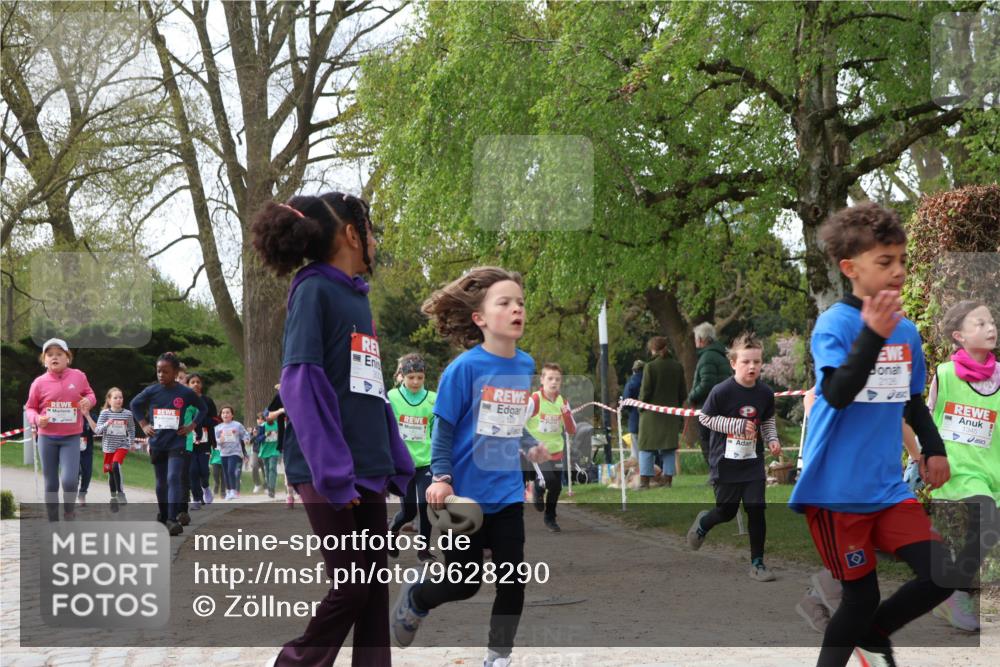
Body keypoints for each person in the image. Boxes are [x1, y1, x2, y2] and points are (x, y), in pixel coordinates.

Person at [788, 202, 954, 667]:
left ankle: (874, 636)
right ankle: (863, 634)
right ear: (850, 268)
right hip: (836, 493)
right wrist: (873, 335)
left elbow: (912, 399)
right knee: (859, 599)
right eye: (885, 261)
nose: (898, 271)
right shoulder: (836, 325)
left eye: (902, 260)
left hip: (886, 489)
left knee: (944, 573)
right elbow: (837, 392)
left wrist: (933, 450)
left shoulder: (906, 331)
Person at [252, 191, 414, 667]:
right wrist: (334, 471)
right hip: (328, 471)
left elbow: (371, 392)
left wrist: (400, 468)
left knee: (372, 585)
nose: (375, 242)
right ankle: (294, 662)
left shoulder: (357, 299)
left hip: (366, 468)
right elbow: (300, 382)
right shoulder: (313, 290)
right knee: (353, 583)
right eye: (370, 231)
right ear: (350, 233)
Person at [390, 266, 549, 667]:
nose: (517, 309)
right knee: (464, 583)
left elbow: (510, 421)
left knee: (513, 580)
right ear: (479, 318)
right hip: (464, 497)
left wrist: (530, 445)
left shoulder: (523, 364)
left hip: (507, 492)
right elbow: (442, 431)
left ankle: (498, 657)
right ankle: (417, 596)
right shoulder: (463, 369)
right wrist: (441, 477)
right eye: (505, 303)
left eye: (521, 303)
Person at [927, 301, 999, 633]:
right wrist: (926, 458)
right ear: (959, 336)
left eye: (992, 322)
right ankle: (953, 593)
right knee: (986, 517)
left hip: (993, 470)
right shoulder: (943, 375)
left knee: (988, 530)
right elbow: (926, 420)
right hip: (959, 470)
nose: (990, 328)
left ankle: (948, 591)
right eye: (979, 323)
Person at [686, 332, 781, 581]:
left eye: (757, 362)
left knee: (756, 510)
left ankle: (758, 563)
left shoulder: (764, 393)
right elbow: (704, 419)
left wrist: (772, 440)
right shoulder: (721, 391)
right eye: (746, 362)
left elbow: (767, 420)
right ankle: (704, 523)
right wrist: (735, 426)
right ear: (733, 363)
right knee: (726, 512)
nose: (752, 367)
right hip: (726, 463)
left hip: (752, 462)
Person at [130, 351, 206, 536]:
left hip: (177, 442)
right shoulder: (152, 390)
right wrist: (144, 424)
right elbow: (134, 404)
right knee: (161, 481)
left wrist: (191, 426)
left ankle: (172, 519)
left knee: (173, 478)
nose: (161, 375)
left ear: (175, 372)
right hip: (157, 442)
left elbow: (202, 408)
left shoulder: (185, 393)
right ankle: (164, 515)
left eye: (165, 371)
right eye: (158, 371)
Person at [24, 338, 97, 522]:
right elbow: (30, 407)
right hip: (47, 437)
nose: (54, 357)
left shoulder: (78, 376)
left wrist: (89, 401)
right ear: (44, 360)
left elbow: (90, 394)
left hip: (71, 437)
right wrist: (37, 419)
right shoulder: (39, 383)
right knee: (51, 482)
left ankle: (69, 511)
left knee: (69, 480)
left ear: (68, 358)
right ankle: (53, 518)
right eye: (50, 355)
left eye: (59, 354)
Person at [387, 353, 437, 561]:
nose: (415, 382)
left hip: (426, 462)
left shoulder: (433, 399)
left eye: (420, 377)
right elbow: (387, 428)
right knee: (408, 511)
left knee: (426, 507)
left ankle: (423, 550)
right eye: (411, 377)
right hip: (403, 462)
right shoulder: (392, 397)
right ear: (403, 377)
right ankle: (391, 533)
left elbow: (436, 431)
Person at [526, 362, 576, 532]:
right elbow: (520, 422)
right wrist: (527, 444)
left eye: (557, 379)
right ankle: (538, 486)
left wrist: (566, 415)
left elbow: (571, 430)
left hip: (556, 450)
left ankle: (550, 517)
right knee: (550, 480)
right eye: (550, 379)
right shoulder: (534, 400)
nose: (553, 382)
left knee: (556, 487)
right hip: (538, 451)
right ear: (542, 380)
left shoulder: (563, 401)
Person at [637, 336, 686, 488]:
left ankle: (644, 482)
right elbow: (683, 393)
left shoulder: (650, 367)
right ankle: (668, 481)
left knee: (646, 448)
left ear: (653, 350)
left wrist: (640, 407)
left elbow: (645, 392)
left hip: (650, 415)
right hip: (670, 414)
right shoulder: (677, 366)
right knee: (669, 449)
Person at [688, 322, 733, 467]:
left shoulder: (707, 357)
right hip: (724, 404)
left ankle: (715, 472)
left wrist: (692, 396)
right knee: (720, 440)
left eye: (696, 339)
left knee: (707, 440)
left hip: (708, 406)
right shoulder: (722, 355)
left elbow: (707, 383)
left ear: (701, 339)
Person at [84, 387, 135, 510]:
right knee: (111, 472)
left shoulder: (127, 414)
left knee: (116, 465)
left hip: (121, 445)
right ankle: (113, 497)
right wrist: (108, 423)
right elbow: (97, 430)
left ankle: (121, 493)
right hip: (108, 447)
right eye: (115, 397)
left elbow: (131, 429)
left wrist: (131, 442)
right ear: (109, 399)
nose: (118, 400)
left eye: (121, 397)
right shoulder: (105, 413)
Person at [186, 373, 218, 507]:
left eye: (198, 382)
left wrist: (200, 420)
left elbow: (215, 420)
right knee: (192, 470)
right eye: (192, 382)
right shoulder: (184, 401)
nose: (195, 384)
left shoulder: (208, 401)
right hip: (189, 441)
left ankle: (205, 487)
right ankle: (197, 498)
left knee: (203, 470)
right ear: (187, 385)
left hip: (205, 442)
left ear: (201, 385)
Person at [215, 406, 250, 500]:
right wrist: (219, 440)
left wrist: (246, 439)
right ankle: (228, 491)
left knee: (231, 470)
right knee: (225, 473)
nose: (225, 414)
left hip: (235, 452)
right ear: (221, 415)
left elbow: (245, 434)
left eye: (227, 412)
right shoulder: (218, 427)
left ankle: (234, 491)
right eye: (223, 413)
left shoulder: (237, 425)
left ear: (232, 415)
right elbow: (214, 440)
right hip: (223, 453)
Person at [622, 359, 644, 460]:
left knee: (635, 452)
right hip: (650, 420)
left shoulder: (631, 383)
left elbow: (625, 401)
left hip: (635, 418)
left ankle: (637, 473)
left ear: (634, 370)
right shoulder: (650, 381)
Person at [77, 405, 96, 507]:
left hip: (87, 449)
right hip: (71, 448)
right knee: (75, 471)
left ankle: (82, 494)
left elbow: (97, 430)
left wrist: (87, 416)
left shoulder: (92, 416)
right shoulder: (71, 414)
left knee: (87, 473)